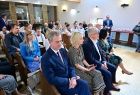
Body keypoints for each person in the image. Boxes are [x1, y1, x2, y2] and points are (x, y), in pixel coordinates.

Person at [41, 31, 91, 95]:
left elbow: (70, 66)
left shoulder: (63, 51)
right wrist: (69, 80)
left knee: (84, 84)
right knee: (83, 87)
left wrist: (73, 77)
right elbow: (51, 78)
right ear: (50, 42)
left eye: (61, 41)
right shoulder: (46, 58)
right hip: (61, 85)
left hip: (71, 79)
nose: (60, 44)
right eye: (57, 42)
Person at [82, 28, 120, 95]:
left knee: (113, 67)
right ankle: (106, 91)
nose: (98, 35)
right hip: (93, 65)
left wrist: (104, 62)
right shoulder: (86, 44)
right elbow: (90, 59)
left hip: (100, 61)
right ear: (91, 35)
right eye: (97, 33)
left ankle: (111, 85)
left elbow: (101, 53)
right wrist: (101, 65)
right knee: (107, 73)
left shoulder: (95, 41)